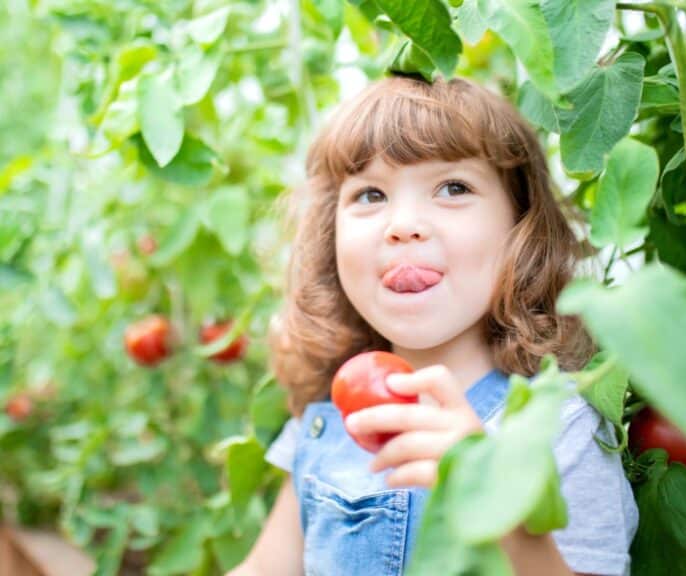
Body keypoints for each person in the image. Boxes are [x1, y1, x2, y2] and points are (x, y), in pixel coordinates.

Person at [228, 74, 638, 576]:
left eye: (453, 187)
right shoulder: (326, 422)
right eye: (370, 195)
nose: (403, 224)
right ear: (331, 236)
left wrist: (500, 504)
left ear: (520, 227)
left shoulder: (559, 428)